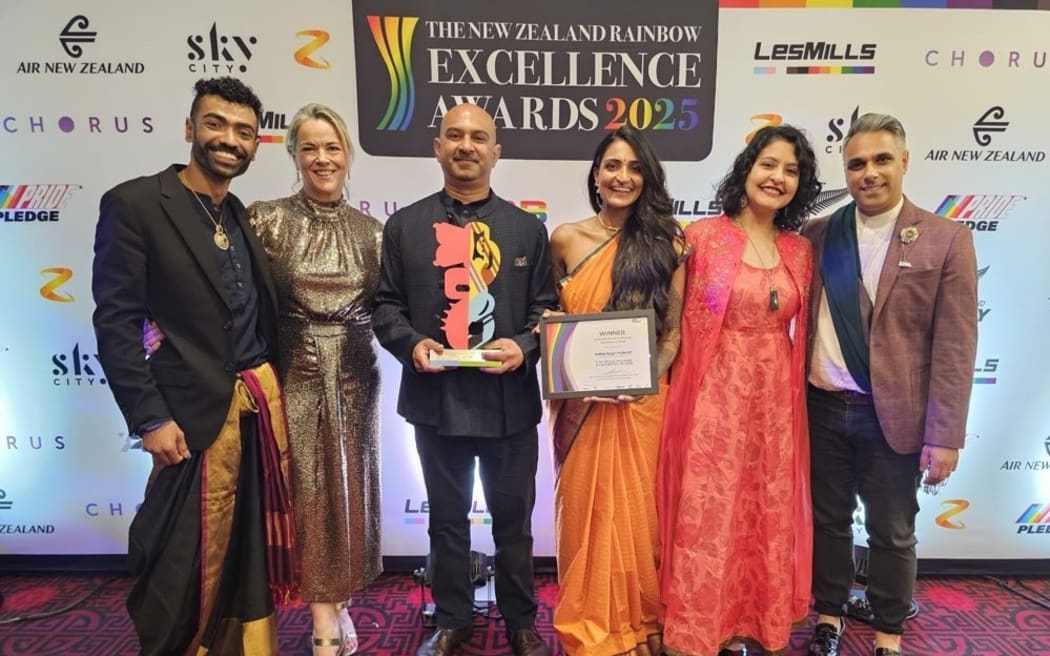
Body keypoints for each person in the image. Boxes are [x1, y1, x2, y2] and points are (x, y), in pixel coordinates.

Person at [144, 103, 384, 656]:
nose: (322, 159)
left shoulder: (374, 231)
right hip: (288, 376)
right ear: (294, 155)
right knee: (303, 497)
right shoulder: (264, 220)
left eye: (332, 147)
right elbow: (234, 301)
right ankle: (323, 624)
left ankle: (339, 601)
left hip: (356, 376)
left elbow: (390, 309)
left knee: (349, 494)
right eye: (310, 148)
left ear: (348, 154)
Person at [92, 77, 297, 655]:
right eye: (215, 124)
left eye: (243, 132)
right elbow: (117, 323)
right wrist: (150, 418)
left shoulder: (237, 215)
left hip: (254, 413)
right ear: (190, 129)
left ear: (256, 144)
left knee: (245, 558)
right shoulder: (135, 204)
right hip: (187, 420)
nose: (228, 140)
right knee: (179, 564)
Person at [371, 102, 558, 656]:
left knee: (514, 525)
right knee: (447, 523)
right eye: (455, 135)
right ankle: (452, 620)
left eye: (479, 137)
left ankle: (520, 620)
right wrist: (413, 344)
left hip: (509, 405)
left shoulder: (527, 230)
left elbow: (546, 312)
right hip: (436, 402)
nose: (467, 145)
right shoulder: (405, 226)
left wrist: (524, 346)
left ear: (496, 151)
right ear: (437, 146)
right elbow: (386, 308)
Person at [803, 113, 978, 656]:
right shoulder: (817, 235)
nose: (869, 173)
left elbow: (954, 345)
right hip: (822, 407)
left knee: (893, 531)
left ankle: (888, 633)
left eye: (881, 160)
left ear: (903, 161)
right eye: (857, 163)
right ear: (846, 170)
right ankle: (828, 617)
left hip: (894, 414)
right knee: (828, 524)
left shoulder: (947, 239)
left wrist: (945, 435)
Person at [657, 125, 822, 656]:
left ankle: (751, 623)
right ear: (746, 169)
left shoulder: (800, 250)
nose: (778, 178)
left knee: (764, 511)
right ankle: (701, 627)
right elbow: (672, 328)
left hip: (775, 403)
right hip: (714, 397)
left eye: (791, 170)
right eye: (768, 164)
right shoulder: (701, 238)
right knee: (711, 509)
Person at [546, 125, 685, 656]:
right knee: (585, 514)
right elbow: (548, 317)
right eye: (612, 166)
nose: (622, 177)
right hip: (580, 406)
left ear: (647, 177)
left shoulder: (670, 242)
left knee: (636, 517)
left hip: (642, 405)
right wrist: (577, 372)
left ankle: (639, 622)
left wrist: (641, 380)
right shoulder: (565, 238)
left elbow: (671, 333)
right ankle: (594, 622)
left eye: (633, 167)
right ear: (596, 175)